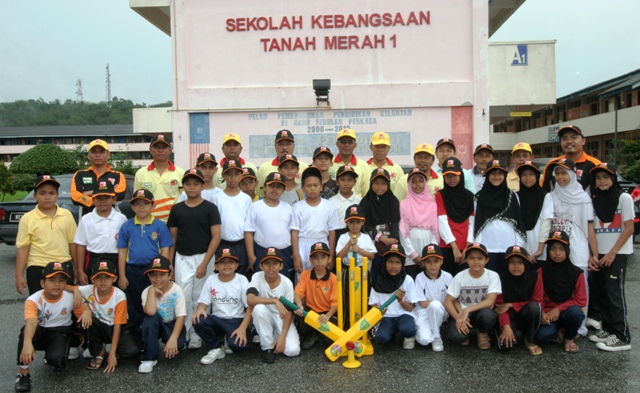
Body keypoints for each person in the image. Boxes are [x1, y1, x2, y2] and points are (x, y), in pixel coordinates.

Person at [167, 168, 222, 349]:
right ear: (183, 186)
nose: (192, 187)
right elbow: (172, 237)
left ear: (202, 185)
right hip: (182, 258)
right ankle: (185, 332)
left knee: (201, 297)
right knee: (183, 295)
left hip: (203, 257)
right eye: (188, 184)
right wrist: (170, 262)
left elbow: (216, 237)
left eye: (196, 184)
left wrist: (205, 263)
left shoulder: (210, 208)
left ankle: (198, 332)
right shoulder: (177, 209)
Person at [14, 262, 84, 393]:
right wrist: (28, 343)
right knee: (25, 333)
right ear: (42, 283)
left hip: (60, 331)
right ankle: (23, 374)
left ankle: (53, 354)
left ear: (65, 284)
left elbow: (84, 312)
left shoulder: (71, 296)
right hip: (40, 329)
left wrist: (85, 311)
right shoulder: (33, 300)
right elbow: (31, 321)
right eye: (52, 280)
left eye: (61, 280)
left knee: (58, 362)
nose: (57, 284)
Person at [549, 158, 598, 337]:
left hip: (577, 249)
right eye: (557, 174)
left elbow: (590, 228)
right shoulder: (552, 196)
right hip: (556, 248)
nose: (560, 177)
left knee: (579, 288)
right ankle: (560, 325)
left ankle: (578, 327)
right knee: (557, 287)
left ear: (572, 174)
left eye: (564, 173)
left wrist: (594, 254)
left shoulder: (583, 198)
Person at [588, 163, 633, 351]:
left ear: (613, 178)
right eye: (598, 178)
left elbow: (629, 228)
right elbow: (592, 229)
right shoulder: (593, 199)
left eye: (606, 177)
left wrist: (613, 253)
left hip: (618, 253)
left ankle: (622, 337)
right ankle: (608, 329)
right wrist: (595, 255)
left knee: (614, 294)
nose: (602, 181)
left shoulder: (624, 198)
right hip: (600, 253)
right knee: (601, 292)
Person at [117, 189, 173, 341]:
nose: (141, 207)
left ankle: (154, 334)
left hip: (153, 271)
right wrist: (122, 275)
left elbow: (165, 249)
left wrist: (164, 271)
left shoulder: (160, 226)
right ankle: (138, 337)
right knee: (135, 304)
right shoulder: (127, 226)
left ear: (152, 206)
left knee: (154, 301)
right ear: (133, 207)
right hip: (133, 270)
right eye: (137, 204)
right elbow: (122, 252)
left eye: (145, 204)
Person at [16, 175, 77, 296]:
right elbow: (23, 248)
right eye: (42, 193)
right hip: (37, 267)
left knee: (67, 306)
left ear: (57, 195)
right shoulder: (27, 218)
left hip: (63, 266)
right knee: (40, 307)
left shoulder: (66, 215)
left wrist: (78, 269)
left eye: (51, 193)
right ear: (35, 196)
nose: (47, 197)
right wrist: (19, 276)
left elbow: (73, 243)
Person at [192, 248, 252, 364]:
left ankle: (227, 338)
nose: (227, 265)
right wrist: (200, 309)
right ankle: (216, 347)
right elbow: (204, 301)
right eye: (222, 262)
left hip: (236, 319)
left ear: (236, 265)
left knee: (238, 347)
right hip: (217, 319)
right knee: (197, 319)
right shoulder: (211, 279)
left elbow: (250, 306)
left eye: (231, 262)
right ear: (216, 266)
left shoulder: (242, 280)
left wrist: (243, 328)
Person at [535, 231, 586, 353]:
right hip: (548, 315)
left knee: (576, 313)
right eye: (553, 249)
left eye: (561, 249)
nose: (557, 253)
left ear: (567, 251)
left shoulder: (576, 273)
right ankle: (557, 330)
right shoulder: (541, 272)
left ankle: (569, 339)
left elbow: (581, 300)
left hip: (567, 312)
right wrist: (542, 313)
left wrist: (558, 309)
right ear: (548, 251)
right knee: (541, 337)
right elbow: (536, 297)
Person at [248, 247, 300, 363]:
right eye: (267, 264)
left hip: (282, 317)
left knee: (293, 351)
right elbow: (250, 299)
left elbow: (289, 312)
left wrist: (282, 336)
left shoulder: (287, 283)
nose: (271, 267)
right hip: (265, 315)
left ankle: (275, 335)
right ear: (261, 266)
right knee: (258, 308)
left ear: (281, 266)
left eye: (275, 263)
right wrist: (274, 301)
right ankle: (267, 348)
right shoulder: (257, 276)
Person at [443, 242, 500, 350]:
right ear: (466, 260)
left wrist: (468, 309)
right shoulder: (460, 276)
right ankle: (466, 333)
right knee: (456, 337)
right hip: (462, 313)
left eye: (480, 258)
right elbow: (448, 301)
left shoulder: (493, 276)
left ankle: (482, 333)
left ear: (486, 260)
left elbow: (490, 301)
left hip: (480, 312)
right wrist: (459, 317)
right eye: (472, 258)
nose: (476, 262)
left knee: (488, 315)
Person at [473, 159, 526, 274]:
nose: (496, 177)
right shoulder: (479, 197)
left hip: (509, 248)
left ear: (505, 175)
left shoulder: (513, 196)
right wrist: (478, 247)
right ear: (487, 175)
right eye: (493, 173)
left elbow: (517, 222)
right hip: (487, 248)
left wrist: (518, 246)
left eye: (500, 173)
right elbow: (476, 222)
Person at [139, 256, 187, 373]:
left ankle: (173, 340)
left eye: (162, 274)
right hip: (157, 323)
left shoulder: (176, 290)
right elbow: (150, 312)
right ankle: (149, 358)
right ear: (149, 277)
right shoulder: (147, 291)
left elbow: (181, 316)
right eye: (153, 275)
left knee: (178, 345)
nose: (157, 279)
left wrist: (173, 339)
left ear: (170, 276)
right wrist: (151, 291)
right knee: (149, 320)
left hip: (172, 323)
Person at [73, 180, 127, 285]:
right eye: (99, 198)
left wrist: (122, 274)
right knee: (92, 293)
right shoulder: (86, 219)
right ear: (92, 200)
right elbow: (81, 245)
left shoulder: (121, 218)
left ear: (114, 199)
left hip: (115, 259)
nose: (103, 201)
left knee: (115, 291)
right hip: (93, 258)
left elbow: (125, 247)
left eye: (106, 198)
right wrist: (80, 271)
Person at [77, 260, 127, 371]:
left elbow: (118, 325)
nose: (103, 281)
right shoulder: (88, 289)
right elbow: (67, 287)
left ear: (114, 278)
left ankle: (111, 348)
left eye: (107, 277)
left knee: (130, 351)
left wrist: (112, 354)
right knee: (88, 320)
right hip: (99, 326)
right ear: (92, 279)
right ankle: (99, 352)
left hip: (114, 327)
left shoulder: (120, 296)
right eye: (99, 277)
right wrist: (85, 308)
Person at [244, 172, 295, 282]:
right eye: (271, 186)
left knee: (285, 284)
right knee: (261, 286)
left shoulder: (288, 208)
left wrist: (293, 254)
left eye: (279, 187)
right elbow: (248, 232)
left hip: (284, 253)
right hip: (261, 252)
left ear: (283, 190)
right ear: (264, 187)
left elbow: (293, 232)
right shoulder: (255, 207)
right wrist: (251, 256)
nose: (275, 189)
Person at [494, 246, 543, 355]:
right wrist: (506, 326)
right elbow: (500, 307)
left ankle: (529, 339)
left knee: (534, 307)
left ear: (525, 263)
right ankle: (509, 332)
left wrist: (512, 304)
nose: (516, 266)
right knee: (505, 346)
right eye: (512, 262)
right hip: (508, 316)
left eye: (520, 262)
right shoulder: (500, 279)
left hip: (526, 313)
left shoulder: (535, 276)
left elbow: (538, 301)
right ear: (507, 264)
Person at [291, 167, 340, 275]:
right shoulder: (297, 207)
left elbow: (332, 231)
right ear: (303, 188)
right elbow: (294, 232)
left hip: (322, 245)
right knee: (302, 279)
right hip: (303, 245)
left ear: (321, 187)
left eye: (315, 185)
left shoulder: (328, 206)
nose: (312, 188)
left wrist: (331, 255)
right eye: (308, 186)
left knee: (321, 278)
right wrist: (296, 256)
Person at [369, 244, 417, 349]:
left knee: (408, 329)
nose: (393, 266)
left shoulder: (407, 280)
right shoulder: (378, 280)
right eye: (390, 262)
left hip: (403, 314)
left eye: (397, 262)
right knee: (381, 338)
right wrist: (378, 312)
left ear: (402, 264)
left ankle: (409, 336)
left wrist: (401, 300)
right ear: (384, 262)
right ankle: (391, 331)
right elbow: (373, 305)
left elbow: (410, 308)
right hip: (385, 316)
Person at [294, 242, 338, 350]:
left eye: (323, 257)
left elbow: (336, 302)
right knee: (296, 308)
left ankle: (320, 334)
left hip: (326, 312)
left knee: (330, 340)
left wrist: (327, 315)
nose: (319, 261)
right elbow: (297, 293)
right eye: (315, 258)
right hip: (310, 311)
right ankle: (312, 335)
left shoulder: (333, 278)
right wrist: (299, 305)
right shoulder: (305, 274)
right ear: (310, 260)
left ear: (329, 259)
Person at [360, 168, 401, 284]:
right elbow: (364, 225)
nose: (380, 187)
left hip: (390, 246)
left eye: (383, 184)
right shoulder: (365, 202)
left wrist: (392, 240)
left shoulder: (393, 201)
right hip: (372, 247)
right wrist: (381, 238)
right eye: (376, 183)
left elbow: (395, 222)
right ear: (371, 184)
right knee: (373, 278)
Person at [134, 134, 185, 222]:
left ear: (170, 150)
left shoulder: (180, 173)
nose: (160, 150)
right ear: (150, 150)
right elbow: (137, 201)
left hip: (175, 222)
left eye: (164, 147)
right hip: (150, 223)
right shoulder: (141, 173)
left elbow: (185, 200)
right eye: (157, 147)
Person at [436, 158, 475, 276]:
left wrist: (468, 246)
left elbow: (472, 223)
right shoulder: (440, 195)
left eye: (455, 175)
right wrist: (454, 247)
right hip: (447, 246)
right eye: (448, 176)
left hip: (466, 247)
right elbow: (442, 221)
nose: (451, 179)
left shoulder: (469, 196)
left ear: (461, 175)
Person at [399, 168, 440, 278]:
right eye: (414, 181)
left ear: (426, 183)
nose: (417, 185)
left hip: (430, 256)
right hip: (410, 257)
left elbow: (436, 230)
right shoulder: (404, 204)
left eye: (421, 181)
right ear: (408, 184)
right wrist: (414, 255)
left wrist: (430, 254)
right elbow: (403, 232)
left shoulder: (432, 204)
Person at [215, 160, 253, 276]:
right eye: (229, 174)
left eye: (236, 174)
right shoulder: (217, 198)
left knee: (241, 275)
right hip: (222, 243)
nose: (233, 178)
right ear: (223, 175)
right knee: (222, 274)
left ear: (242, 175)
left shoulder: (246, 199)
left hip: (241, 244)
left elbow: (249, 227)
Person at [71, 138, 126, 217]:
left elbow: (120, 196)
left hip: (112, 221)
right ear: (89, 155)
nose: (97, 155)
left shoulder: (118, 175)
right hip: (88, 221)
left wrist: (87, 193)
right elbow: (75, 197)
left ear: (108, 154)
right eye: (94, 152)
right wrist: (109, 192)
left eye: (101, 151)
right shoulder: (80, 174)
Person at [414, 244, 452, 352]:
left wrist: (438, 306)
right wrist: (436, 305)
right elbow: (422, 302)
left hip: (442, 311)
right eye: (428, 262)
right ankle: (420, 330)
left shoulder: (447, 277)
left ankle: (436, 337)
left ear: (441, 261)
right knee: (424, 340)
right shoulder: (420, 278)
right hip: (424, 311)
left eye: (436, 261)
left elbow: (452, 298)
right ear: (423, 263)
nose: (432, 265)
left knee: (436, 306)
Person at [541, 125, 601, 192]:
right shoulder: (552, 164)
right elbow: (544, 191)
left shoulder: (595, 165)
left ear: (583, 141)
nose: (569, 141)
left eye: (574, 137)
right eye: (564, 139)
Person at [516, 161, 553, 265]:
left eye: (531, 174)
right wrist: (520, 248)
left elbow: (546, 224)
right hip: (521, 249)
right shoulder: (515, 196)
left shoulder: (546, 196)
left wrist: (540, 249)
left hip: (539, 250)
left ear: (537, 176)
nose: (527, 178)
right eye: (524, 175)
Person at [257, 130, 308, 197]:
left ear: (293, 146)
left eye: (288, 144)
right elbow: (260, 193)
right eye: (281, 144)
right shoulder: (264, 168)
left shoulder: (304, 167)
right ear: (275, 146)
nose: (284, 147)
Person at [329, 128, 369, 197]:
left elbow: (366, 192)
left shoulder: (364, 166)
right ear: (337, 144)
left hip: (357, 205)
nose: (346, 145)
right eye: (343, 142)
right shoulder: (329, 164)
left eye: (350, 142)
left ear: (355, 145)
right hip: (334, 205)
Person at [329, 165, 362, 239]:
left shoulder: (360, 201)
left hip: (357, 236)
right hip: (337, 236)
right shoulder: (331, 202)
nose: (346, 183)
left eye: (349, 180)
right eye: (342, 180)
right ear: (337, 182)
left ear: (355, 182)